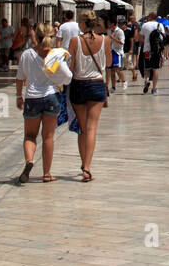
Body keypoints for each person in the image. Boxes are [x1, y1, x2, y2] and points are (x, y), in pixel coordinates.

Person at [17, 25, 70, 183]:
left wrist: (18, 96)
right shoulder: (55, 55)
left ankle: (29, 161)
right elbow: (66, 74)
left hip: (32, 97)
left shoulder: (27, 54)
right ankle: (46, 173)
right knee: (48, 136)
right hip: (51, 96)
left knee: (29, 135)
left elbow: (20, 78)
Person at [68, 17, 109, 182]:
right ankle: (87, 167)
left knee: (82, 128)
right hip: (97, 84)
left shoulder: (74, 40)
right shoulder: (105, 40)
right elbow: (109, 61)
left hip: (79, 84)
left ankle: (83, 163)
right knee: (92, 129)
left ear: (83, 24)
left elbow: (70, 67)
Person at [137, 13, 166, 94]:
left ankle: (146, 81)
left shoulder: (145, 25)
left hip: (146, 50)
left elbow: (140, 38)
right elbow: (163, 37)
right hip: (156, 50)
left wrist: (147, 41)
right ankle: (154, 88)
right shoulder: (159, 25)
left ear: (150, 17)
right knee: (155, 68)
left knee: (147, 68)